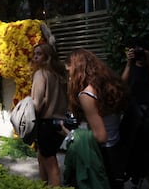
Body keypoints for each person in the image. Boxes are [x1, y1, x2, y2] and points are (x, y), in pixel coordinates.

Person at [64, 49, 128, 189]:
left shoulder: (87, 94)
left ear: (78, 71)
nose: (69, 78)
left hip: (101, 155)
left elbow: (101, 136)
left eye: (70, 73)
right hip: (117, 148)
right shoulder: (110, 85)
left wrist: (73, 135)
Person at [121, 45, 149, 189]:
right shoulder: (131, 68)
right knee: (133, 147)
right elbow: (122, 84)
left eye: (142, 54)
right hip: (133, 114)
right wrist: (129, 63)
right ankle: (134, 176)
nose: (140, 57)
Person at [30, 43, 68, 186]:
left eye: (39, 53)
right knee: (42, 156)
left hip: (46, 123)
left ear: (47, 56)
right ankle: (43, 185)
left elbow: (37, 104)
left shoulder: (41, 74)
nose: (35, 57)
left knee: (51, 164)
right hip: (59, 123)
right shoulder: (59, 75)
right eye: (34, 54)